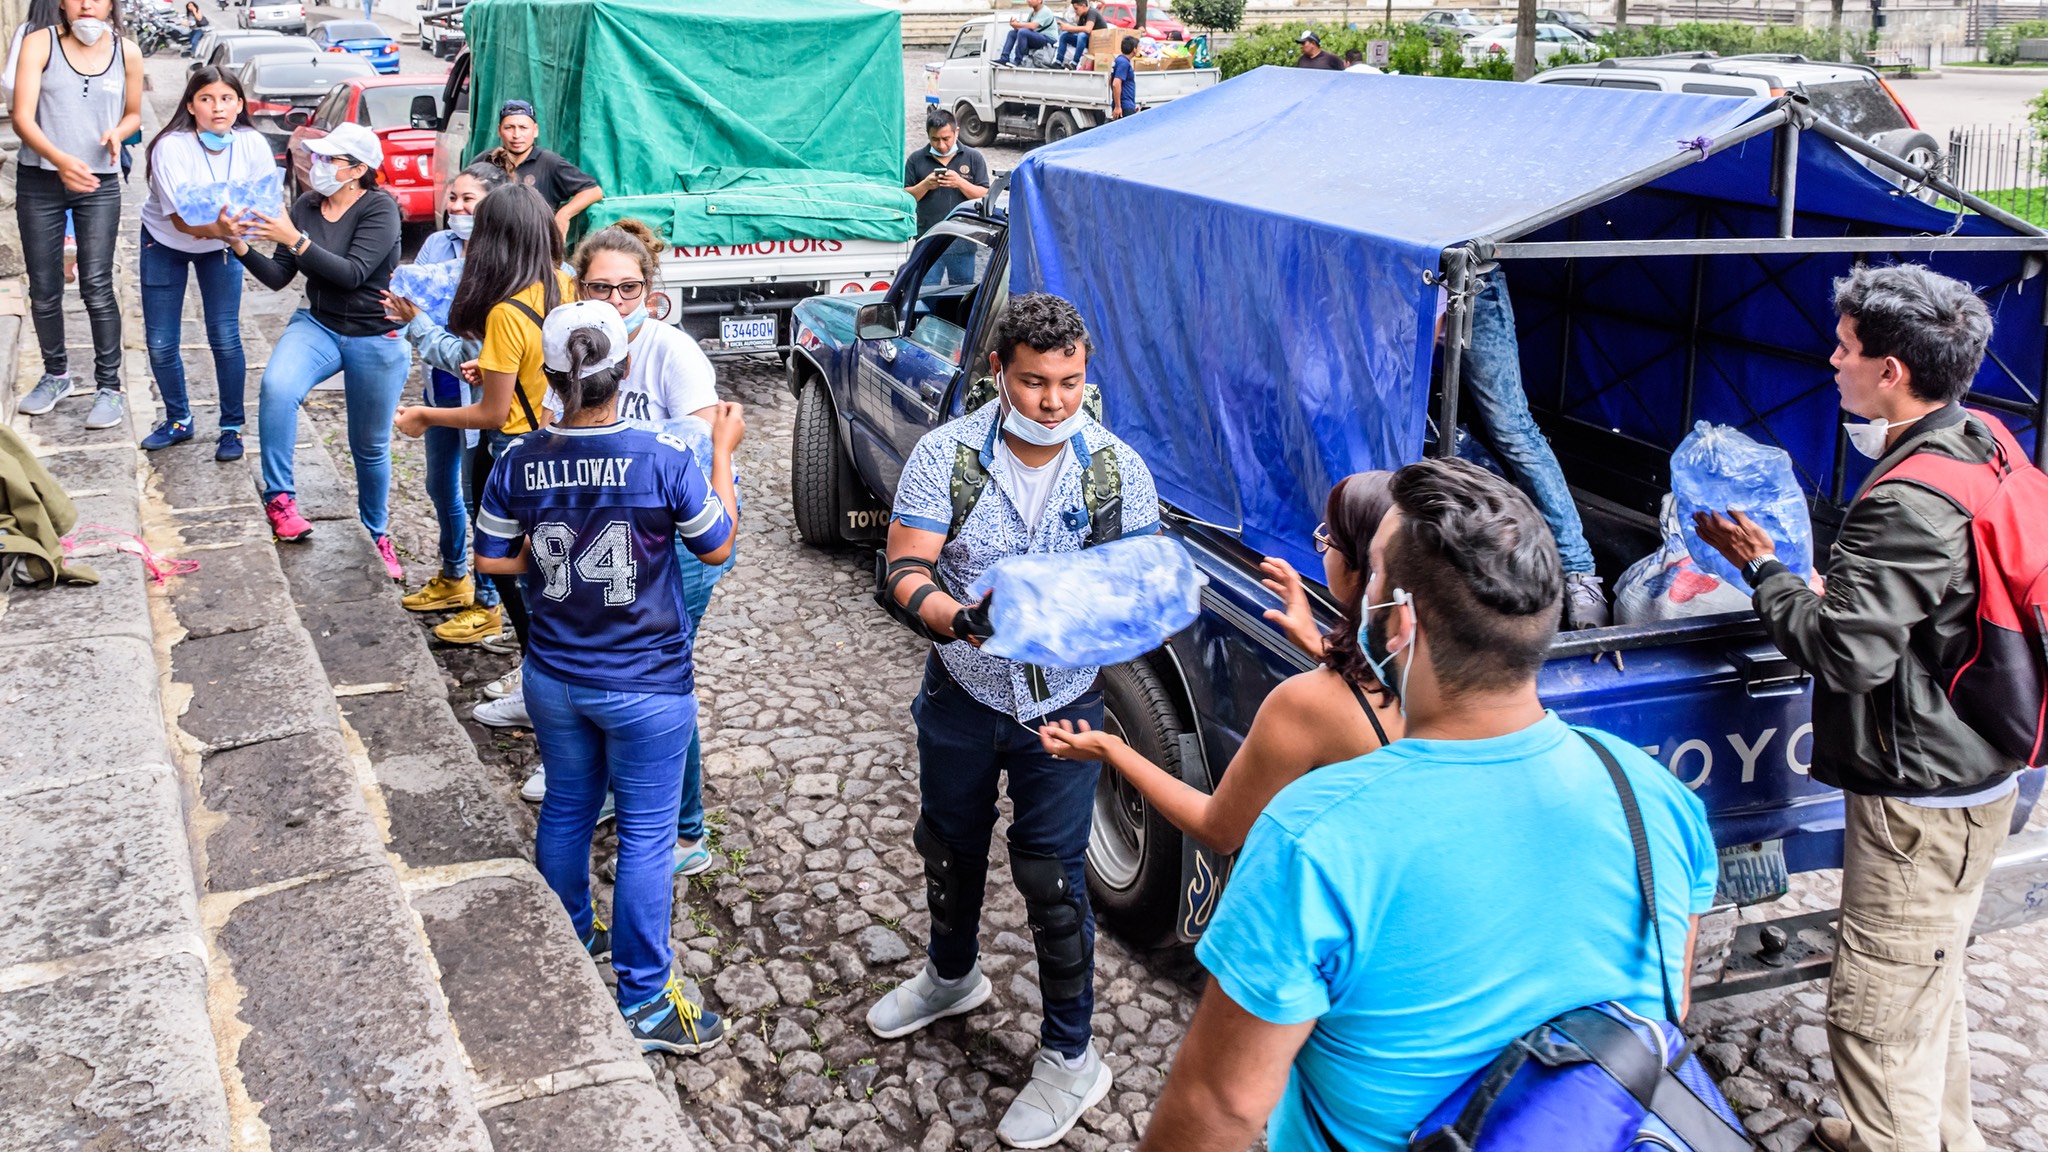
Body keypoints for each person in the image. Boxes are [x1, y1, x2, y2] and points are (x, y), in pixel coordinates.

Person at [1138, 458, 1718, 1152]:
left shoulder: (1316, 838)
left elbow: (1220, 1109)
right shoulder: (1653, 795)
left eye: (1374, 574)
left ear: (1400, 622)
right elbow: (1667, 1008)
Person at [1693, 264, 2012, 1152]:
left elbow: (1845, 653)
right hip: (1976, 769)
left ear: (1892, 372)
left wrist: (1768, 572)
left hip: (1921, 801)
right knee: (1927, 982)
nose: (1832, 361)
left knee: (1873, 1017)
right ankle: (1945, 1136)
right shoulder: (1978, 442)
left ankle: (1893, 1136)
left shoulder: (1907, 498)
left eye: (1845, 348)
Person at [866, 293, 1160, 1150]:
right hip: (961, 691)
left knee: (1052, 876)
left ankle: (1072, 1055)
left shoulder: (1115, 473)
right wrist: (960, 618)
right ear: (1000, 372)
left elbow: (1135, 601)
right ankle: (951, 977)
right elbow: (905, 572)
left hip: (1063, 708)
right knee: (948, 843)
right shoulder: (946, 457)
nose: (1055, 401)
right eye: (1035, 382)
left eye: (1070, 382)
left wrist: (1081, 614)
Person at [472, 299, 743, 1055]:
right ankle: (647, 999)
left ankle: (570, 939)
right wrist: (722, 449)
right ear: (626, 368)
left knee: (565, 807)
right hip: (647, 680)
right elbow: (716, 545)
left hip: (554, 675)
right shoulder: (664, 455)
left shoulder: (518, 458)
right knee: (649, 838)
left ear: (553, 375)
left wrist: (563, 573)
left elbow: (494, 560)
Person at [518, 219, 728, 881]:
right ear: (579, 286)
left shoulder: (672, 353)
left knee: (659, 678)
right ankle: (610, 789)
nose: (613, 303)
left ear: (650, 290)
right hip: (599, 536)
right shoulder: (576, 346)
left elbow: (700, 450)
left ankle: (686, 828)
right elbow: (563, 430)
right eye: (599, 287)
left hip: (670, 542)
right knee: (611, 675)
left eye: (629, 289)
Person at [1039, 472, 1400, 855]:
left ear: (1361, 568)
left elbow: (1218, 829)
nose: (1322, 547)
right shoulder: (1433, 673)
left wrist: (1110, 749)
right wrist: (1322, 647)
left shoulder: (1305, 703)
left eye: (1329, 541)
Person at [393, 182, 575, 729]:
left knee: (518, 577)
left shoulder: (503, 312)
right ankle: (544, 675)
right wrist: (491, 370)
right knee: (550, 573)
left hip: (512, 458)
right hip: (557, 446)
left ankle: (537, 684)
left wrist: (425, 417)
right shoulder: (565, 286)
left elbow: (492, 415)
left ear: (494, 242)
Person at [231, 121, 408, 576]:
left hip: (375, 334)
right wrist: (236, 243)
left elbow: (352, 273)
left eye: (330, 159)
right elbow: (278, 277)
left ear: (357, 169)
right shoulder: (308, 204)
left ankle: (377, 533)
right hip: (319, 323)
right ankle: (281, 500)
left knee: (367, 445)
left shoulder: (380, 209)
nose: (317, 164)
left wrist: (292, 237)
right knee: (277, 386)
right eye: (318, 156)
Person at [385, 159, 510, 640]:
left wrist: (419, 321)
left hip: (477, 393)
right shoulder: (436, 246)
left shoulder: (499, 261)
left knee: (479, 496)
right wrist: (406, 313)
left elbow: (467, 349)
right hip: (439, 386)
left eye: (468, 201)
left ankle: (489, 598)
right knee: (441, 487)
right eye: (452, 198)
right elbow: (413, 302)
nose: (456, 208)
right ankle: (454, 574)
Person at [10, 0, 142, 432]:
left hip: (97, 184)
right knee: (45, 286)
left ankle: (109, 387)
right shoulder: (39, 43)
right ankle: (56, 375)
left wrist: (118, 134)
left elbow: (134, 114)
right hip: (41, 181)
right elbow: (21, 117)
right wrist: (59, 159)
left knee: (97, 285)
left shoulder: (128, 52)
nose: (88, 3)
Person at [136, 66, 273, 462]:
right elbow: (180, 218)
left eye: (227, 98)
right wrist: (224, 226)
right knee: (161, 342)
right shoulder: (170, 147)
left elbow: (264, 205)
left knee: (225, 336)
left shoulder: (253, 144)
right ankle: (178, 419)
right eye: (207, 99)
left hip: (223, 246)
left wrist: (228, 231)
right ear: (191, 105)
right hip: (164, 242)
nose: (218, 107)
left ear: (240, 104)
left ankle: (231, 427)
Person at [1461, 266, 1610, 626]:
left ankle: (1578, 573)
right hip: (1401, 277)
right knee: (1392, 407)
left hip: (1469, 282)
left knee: (1512, 429)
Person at [482, 100, 601, 239]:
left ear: (535, 130)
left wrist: (564, 214)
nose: (516, 135)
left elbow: (593, 191)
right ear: (499, 130)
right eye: (509, 127)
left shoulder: (550, 162)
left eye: (523, 127)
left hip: (535, 246)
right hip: (493, 242)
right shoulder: (487, 161)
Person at [904, 109, 989, 238]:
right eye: (935, 139)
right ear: (928, 135)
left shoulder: (973, 157)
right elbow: (905, 199)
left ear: (957, 133)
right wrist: (925, 185)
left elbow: (984, 196)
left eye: (946, 139)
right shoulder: (915, 160)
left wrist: (960, 183)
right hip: (928, 237)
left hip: (965, 237)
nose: (941, 145)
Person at [995, 0, 1058, 65]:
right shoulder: (1032, 13)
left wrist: (1017, 24)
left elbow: (1033, 26)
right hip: (1038, 37)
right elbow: (1025, 28)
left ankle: (1018, 61)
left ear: (1040, 1)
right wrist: (1014, 26)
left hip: (1049, 40)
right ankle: (1004, 58)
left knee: (1023, 32)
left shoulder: (1045, 11)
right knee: (1012, 33)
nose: (1028, 1)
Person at [1053, 0, 1104, 66]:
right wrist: (1066, 28)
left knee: (1082, 35)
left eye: (1076, 8)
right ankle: (1058, 62)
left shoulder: (1092, 12)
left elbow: (1088, 29)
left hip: (1097, 42)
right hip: (1087, 40)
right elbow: (1077, 30)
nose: (1075, 11)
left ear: (1083, 5)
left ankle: (1074, 63)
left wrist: (1069, 28)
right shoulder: (1082, 16)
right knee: (1064, 35)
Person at [1109, 36, 1137, 120]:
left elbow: (1111, 80)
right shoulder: (1124, 63)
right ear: (1134, 49)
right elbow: (1115, 83)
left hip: (1124, 104)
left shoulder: (1119, 60)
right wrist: (1118, 106)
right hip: (1124, 106)